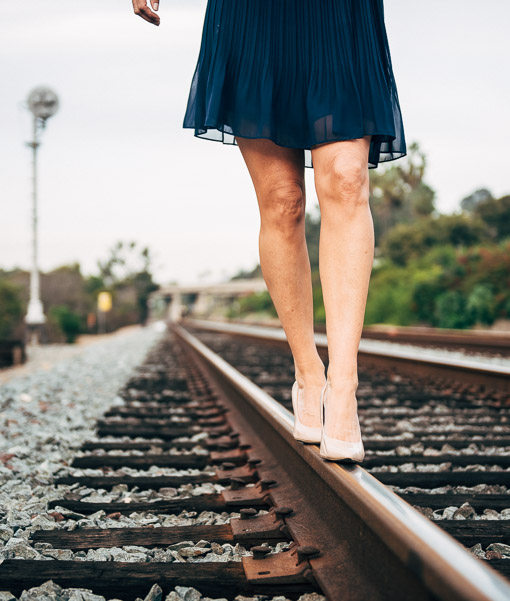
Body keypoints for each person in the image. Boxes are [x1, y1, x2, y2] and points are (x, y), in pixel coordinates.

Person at [132, 0, 407, 463]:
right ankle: (308, 375)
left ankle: (344, 387)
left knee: (346, 179)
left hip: (339, 14)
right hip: (257, 14)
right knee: (282, 202)